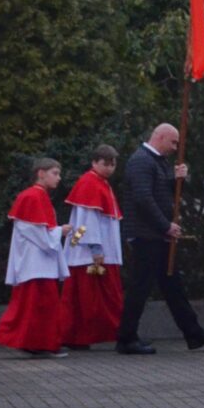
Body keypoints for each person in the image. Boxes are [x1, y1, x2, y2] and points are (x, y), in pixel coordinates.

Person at [116, 123, 204, 354]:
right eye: (173, 142)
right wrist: (165, 225)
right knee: (141, 286)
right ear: (159, 137)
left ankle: (193, 333)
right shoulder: (141, 161)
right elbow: (143, 198)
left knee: (172, 285)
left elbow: (161, 192)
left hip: (157, 235)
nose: (175, 147)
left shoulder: (157, 162)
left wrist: (176, 179)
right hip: (146, 234)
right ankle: (126, 337)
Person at [0, 158, 69, 357]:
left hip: (38, 264)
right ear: (41, 173)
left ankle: (40, 343)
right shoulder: (33, 197)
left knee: (40, 307)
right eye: (55, 173)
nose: (59, 178)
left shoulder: (37, 196)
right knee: (39, 307)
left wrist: (56, 232)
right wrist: (59, 231)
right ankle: (39, 344)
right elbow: (36, 233)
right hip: (35, 264)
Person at [61, 146, 125, 349]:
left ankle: (78, 337)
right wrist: (96, 248)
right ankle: (84, 336)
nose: (109, 168)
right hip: (91, 253)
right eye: (105, 164)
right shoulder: (90, 183)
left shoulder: (99, 183)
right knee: (92, 298)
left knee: (83, 298)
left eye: (113, 164)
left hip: (86, 250)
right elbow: (87, 221)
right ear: (94, 162)